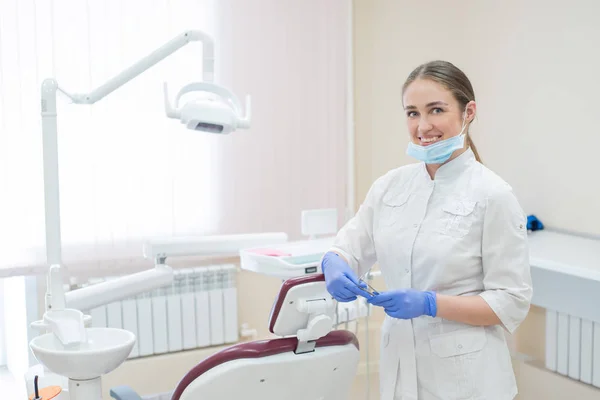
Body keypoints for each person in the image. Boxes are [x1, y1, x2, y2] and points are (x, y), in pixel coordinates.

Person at [321, 60, 532, 400]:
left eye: (436, 110)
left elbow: (511, 301)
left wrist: (431, 304)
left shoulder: (493, 195)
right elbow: (350, 245)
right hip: (401, 365)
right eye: (412, 113)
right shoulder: (390, 187)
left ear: (469, 112)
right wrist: (334, 262)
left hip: (468, 379)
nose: (423, 126)